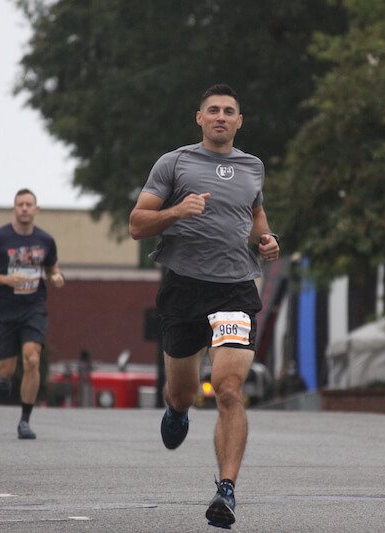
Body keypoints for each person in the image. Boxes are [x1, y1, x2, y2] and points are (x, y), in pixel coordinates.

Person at [129, 84, 280, 528]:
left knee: (228, 389)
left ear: (239, 121)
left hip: (235, 290)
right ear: (199, 118)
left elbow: (255, 215)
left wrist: (267, 240)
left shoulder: (253, 166)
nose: (220, 117)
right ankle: (177, 409)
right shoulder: (174, 163)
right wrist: (176, 212)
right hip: (184, 288)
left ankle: (226, 490)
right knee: (184, 391)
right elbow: (137, 224)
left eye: (228, 111)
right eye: (212, 110)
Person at [0, 188, 65, 439]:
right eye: (20, 204)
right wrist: (6, 279)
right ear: (14, 209)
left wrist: (56, 277)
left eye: (29, 204)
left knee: (32, 359)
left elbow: (52, 267)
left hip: (33, 308)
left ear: (36, 209)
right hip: (4, 309)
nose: (24, 208)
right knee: (6, 368)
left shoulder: (45, 240)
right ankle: (2, 377)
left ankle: (25, 420)